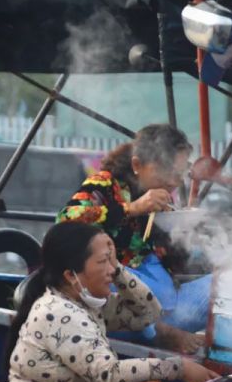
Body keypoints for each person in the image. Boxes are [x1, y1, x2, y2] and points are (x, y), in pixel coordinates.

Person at [4, 222, 217, 382]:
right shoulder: (58, 312)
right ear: (70, 275)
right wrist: (179, 368)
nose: (110, 272)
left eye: (110, 261)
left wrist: (119, 270)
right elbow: (108, 374)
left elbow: (149, 314)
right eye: (102, 262)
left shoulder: (87, 303)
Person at [57, 124, 211, 353]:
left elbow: (165, 254)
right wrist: (131, 208)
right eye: (167, 171)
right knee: (124, 293)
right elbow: (66, 221)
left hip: (166, 305)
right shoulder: (105, 184)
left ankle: (163, 329)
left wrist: (185, 233)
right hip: (119, 310)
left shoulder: (162, 195)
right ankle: (161, 334)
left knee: (225, 285)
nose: (173, 181)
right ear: (137, 165)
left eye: (179, 173)